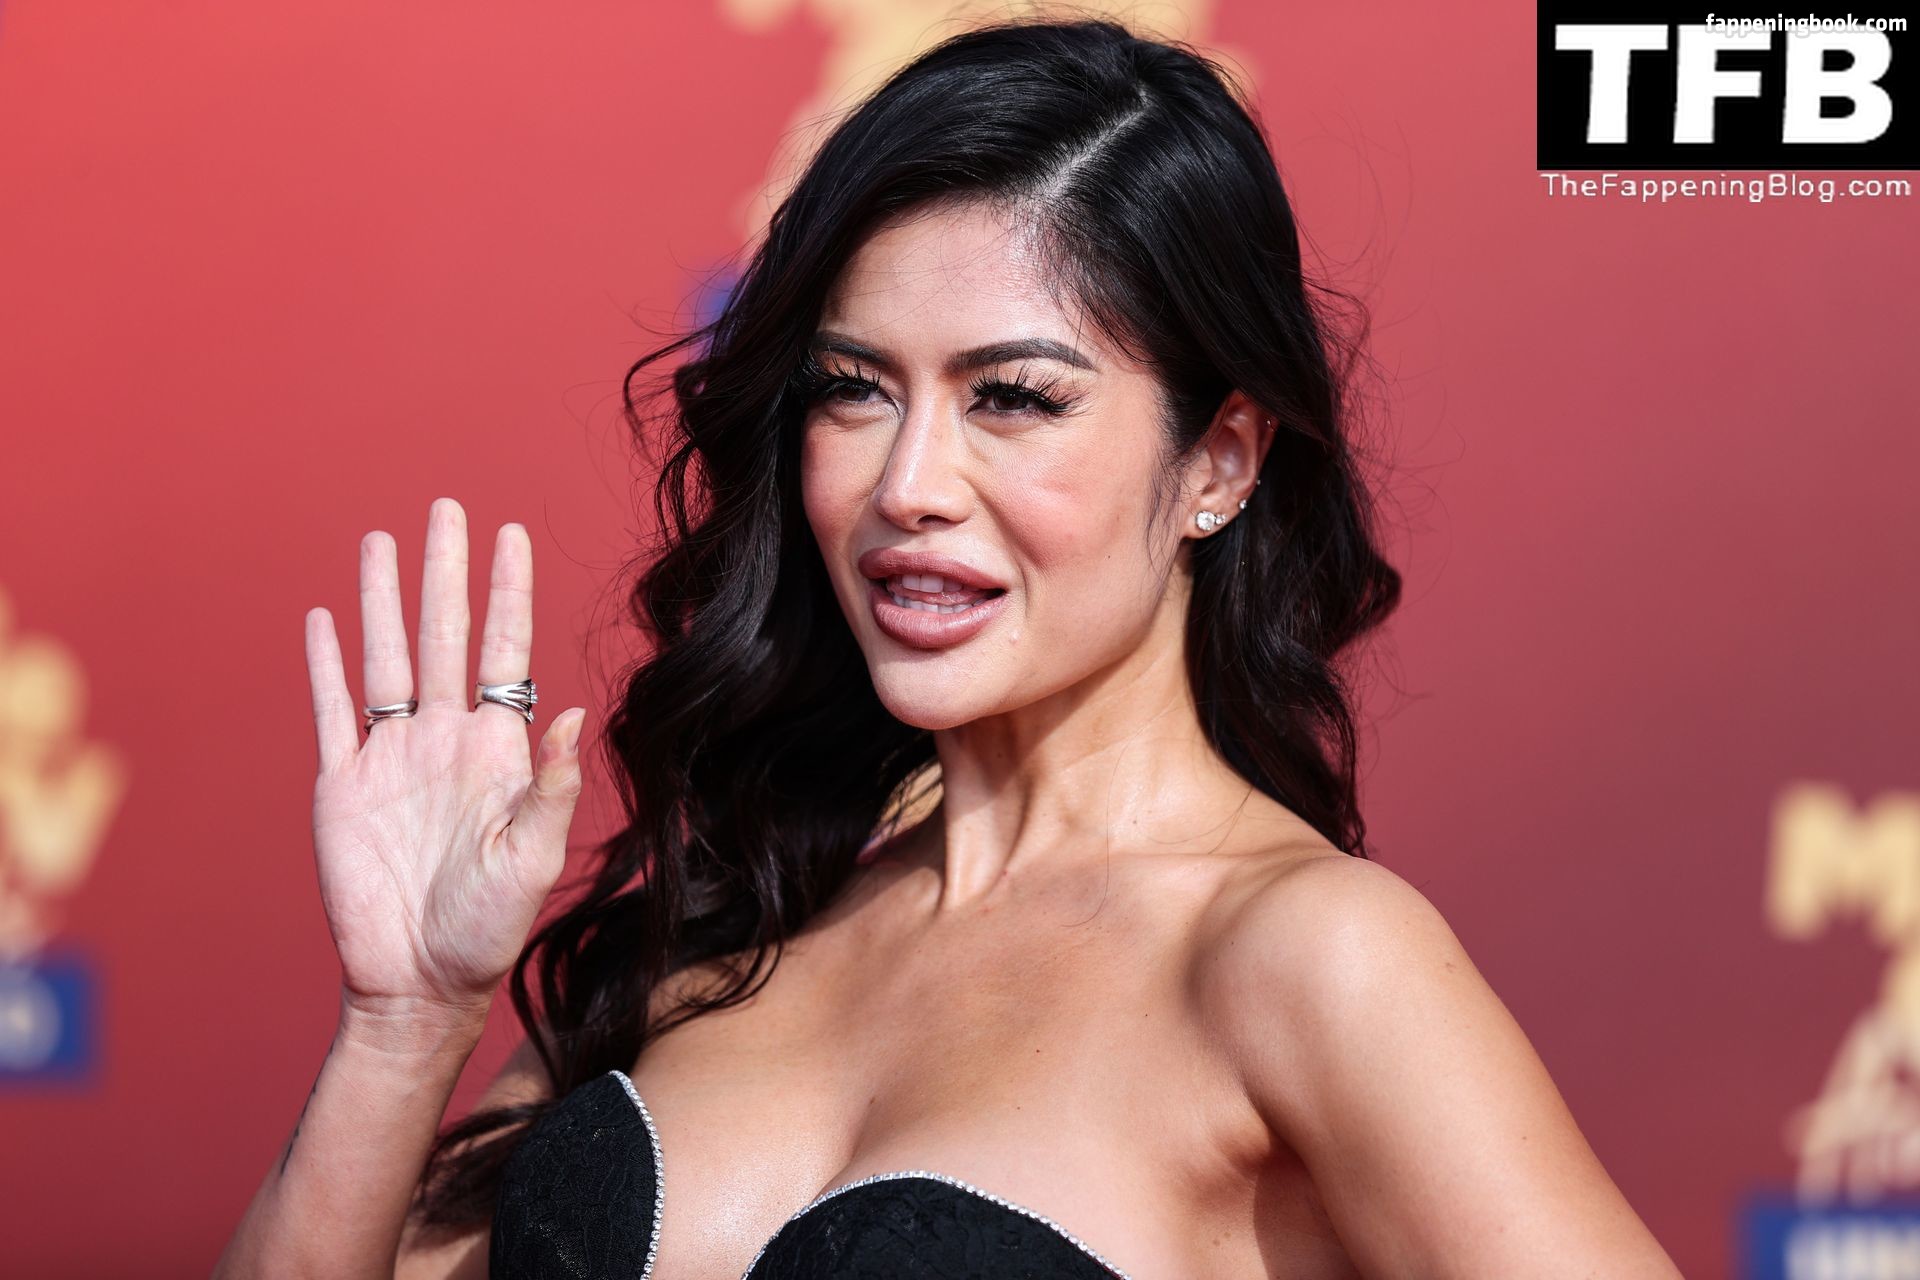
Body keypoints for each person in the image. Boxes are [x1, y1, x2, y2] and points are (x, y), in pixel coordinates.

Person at [216, 15, 1683, 1279]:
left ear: (1221, 461)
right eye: (854, 388)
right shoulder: (728, 919)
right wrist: (406, 1025)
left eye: (1014, 398)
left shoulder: (1309, 961)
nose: (907, 483)